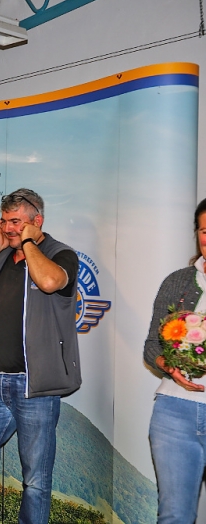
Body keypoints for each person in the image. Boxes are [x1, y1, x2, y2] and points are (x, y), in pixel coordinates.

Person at [0, 188, 80, 524]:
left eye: (16, 222)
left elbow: (50, 281)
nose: (9, 228)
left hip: (35, 386)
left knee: (35, 480)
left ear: (37, 221)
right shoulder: (1, 256)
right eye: (5, 221)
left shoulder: (61, 254)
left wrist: (28, 243)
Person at [144, 197, 206, 524]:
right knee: (174, 517)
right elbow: (151, 346)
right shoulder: (177, 282)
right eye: (205, 231)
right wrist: (169, 367)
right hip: (174, 413)